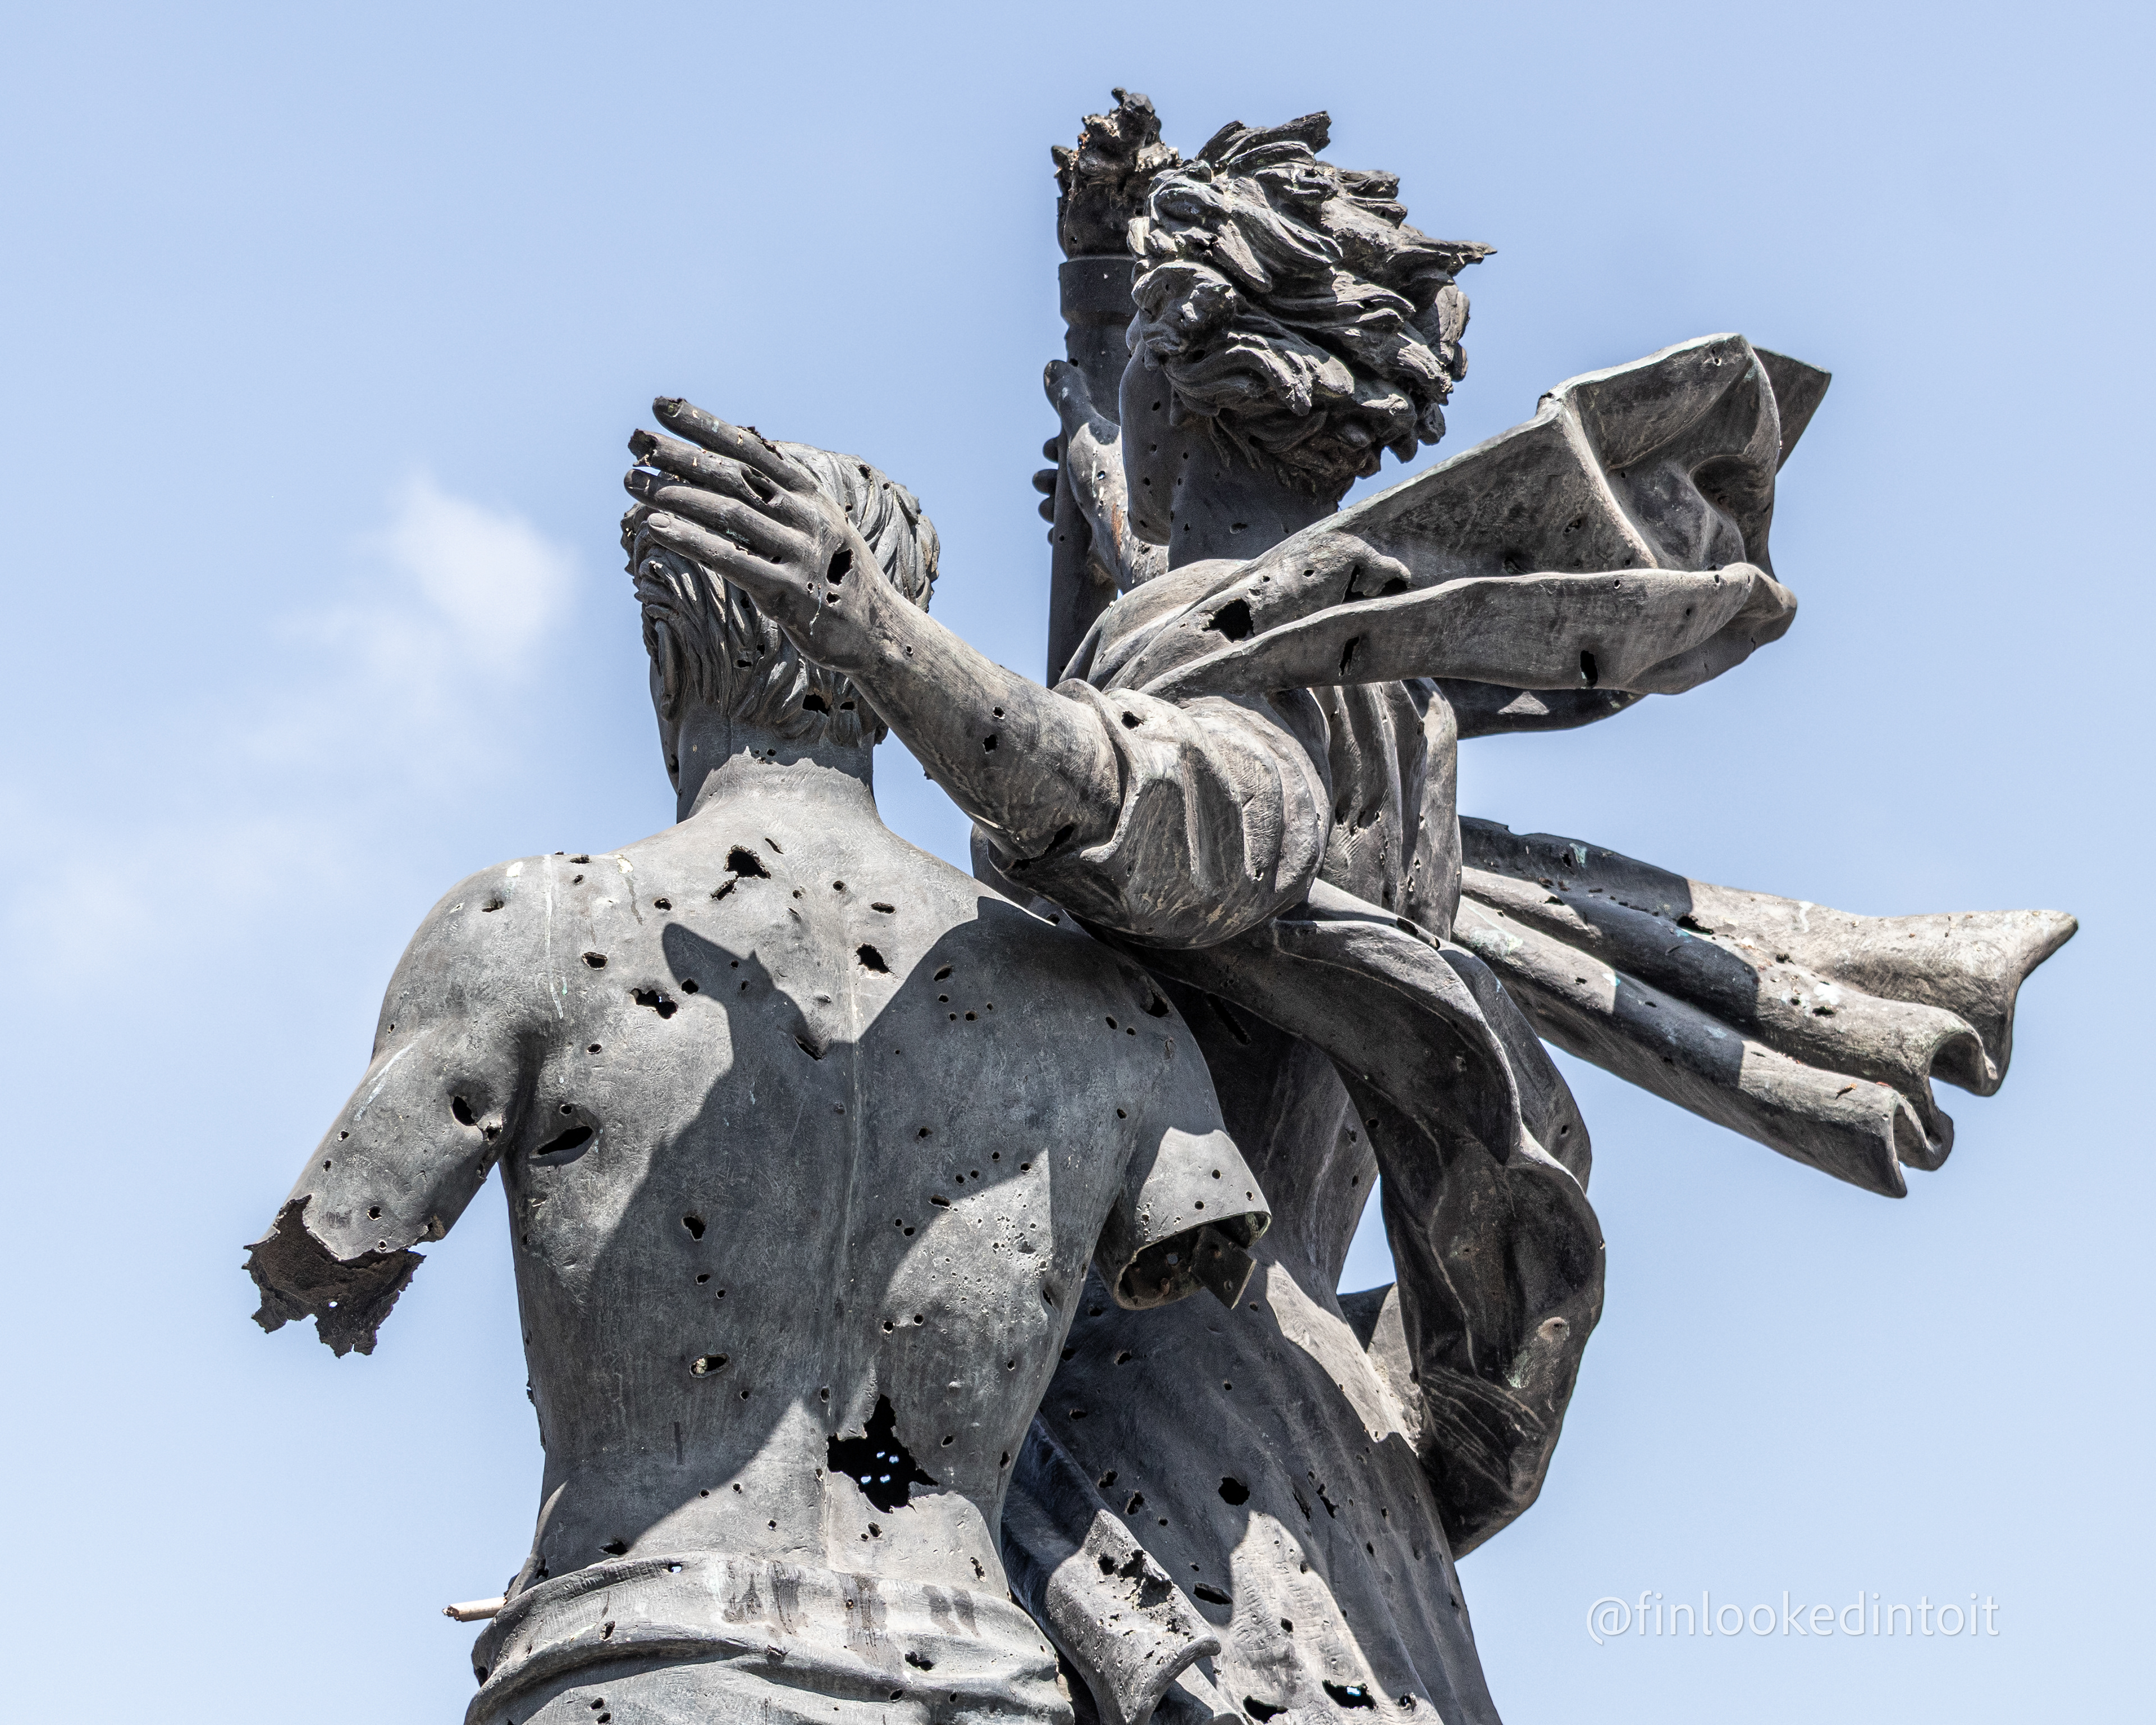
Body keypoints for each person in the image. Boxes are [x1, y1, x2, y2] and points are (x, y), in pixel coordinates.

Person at [637, 105, 2070, 1725]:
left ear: (1178, 379)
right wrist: (1099, 287)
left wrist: (872, 630)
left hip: (1154, 1425)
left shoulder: (1256, 685)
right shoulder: (1334, 652)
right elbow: (1121, 615)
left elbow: (1151, 810)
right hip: (1280, 1420)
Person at [244, 439, 1272, 1725]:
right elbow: (1196, 1267)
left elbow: (333, 1251)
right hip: (976, 1682)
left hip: (635, 1666)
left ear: (667, 658)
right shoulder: (1108, 1008)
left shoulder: (534, 930)